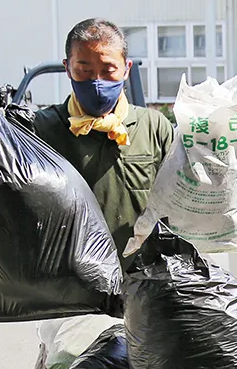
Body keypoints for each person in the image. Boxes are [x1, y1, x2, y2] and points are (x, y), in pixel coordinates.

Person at [33, 18, 174, 258]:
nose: (96, 82)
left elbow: (177, 204)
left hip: (141, 282)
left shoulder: (153, 127)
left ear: (126, 69)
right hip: (69, 284)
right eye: (84, 71)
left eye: (108, 71)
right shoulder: (41, 130)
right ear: (67, 68)